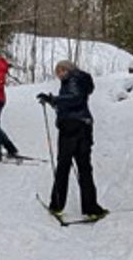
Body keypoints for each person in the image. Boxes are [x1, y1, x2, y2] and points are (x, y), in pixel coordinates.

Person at [39, 60, 107, 220]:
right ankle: (91, 208)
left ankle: (56, 205)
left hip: (71, 128)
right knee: (84, 168)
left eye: (62, 70)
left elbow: (74, 98)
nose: (60, 74)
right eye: (58, 71)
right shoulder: (79, 80)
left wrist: (54, 99)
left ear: (69, 69)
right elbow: (73, 101)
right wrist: (51, 102)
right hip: (84, 127)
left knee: (63, 166)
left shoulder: (73, 79)